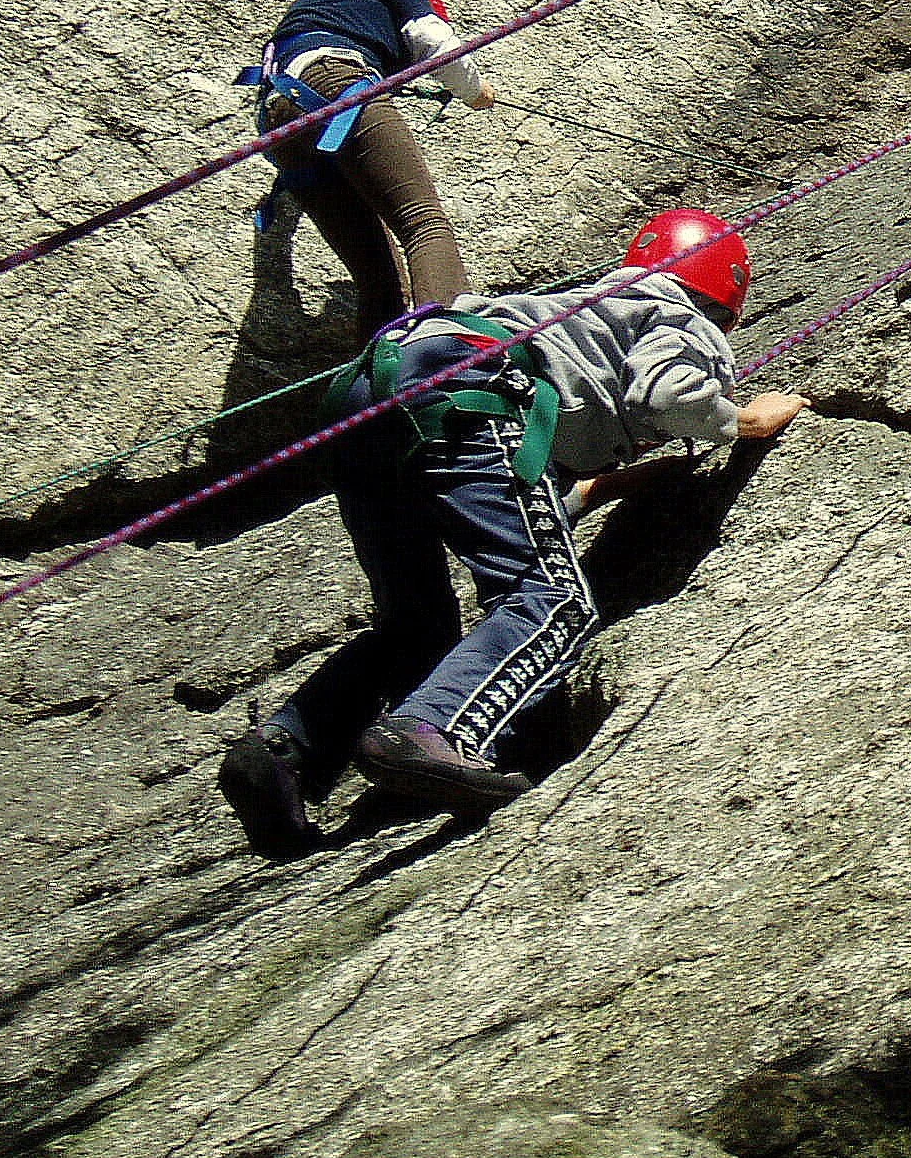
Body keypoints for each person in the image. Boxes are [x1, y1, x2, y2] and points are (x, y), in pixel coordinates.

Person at [217, 209, 810, 856]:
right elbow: (666, 395)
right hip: (467, 391)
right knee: (552, 599)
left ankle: (285, 750)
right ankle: (431, 727)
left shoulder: (594, 307)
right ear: (728, 298)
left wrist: (616, 485)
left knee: (416, 627)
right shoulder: (680, 315)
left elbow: (521, 482)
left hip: (376, 392)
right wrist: (743, 420)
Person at [245, 0, 497, 339]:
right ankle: (450, 359)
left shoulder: (332, 9)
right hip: (334, 81)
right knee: (424, 225)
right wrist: (474, 92)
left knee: (377, 275)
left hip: (280, 119)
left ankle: (382, 383)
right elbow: (431, 38)